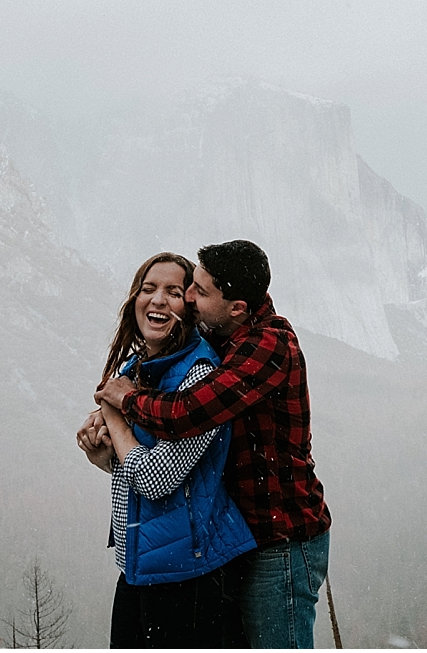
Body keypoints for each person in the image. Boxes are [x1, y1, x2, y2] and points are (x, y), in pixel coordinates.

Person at [93, 239, 332, 649]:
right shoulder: (222, 327)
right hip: (236, 538)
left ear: (235, 306)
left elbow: (186, 414)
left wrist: (120, 405)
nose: (186, 298)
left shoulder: (267, 346)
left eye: (197, 292)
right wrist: (107, 427)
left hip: (282, 539)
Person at [76, 251, 256, 648]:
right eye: (148, 288)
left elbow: (156, 479)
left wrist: (118, 413)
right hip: (140, 568)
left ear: (190, 307)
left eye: (174, 292)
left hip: (191, 577)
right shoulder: (137, 368)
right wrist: (101, 455)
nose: (157, 300)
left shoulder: (199, 375)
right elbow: (137, 468)